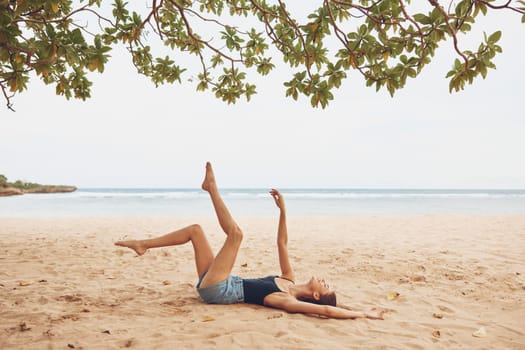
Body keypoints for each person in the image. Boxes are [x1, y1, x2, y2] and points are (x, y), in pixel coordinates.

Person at [115, 162, 384, 320]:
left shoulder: (286, 300)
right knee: (195, 230)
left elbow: (326, 310)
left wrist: (360, 313)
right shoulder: (288, 280)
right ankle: (143, 244)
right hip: (219, 281)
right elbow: (283, 244)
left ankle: (212, 189)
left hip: (218, 291)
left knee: (237, 234)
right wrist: (283, 211)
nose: (325, 280)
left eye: (325, 286)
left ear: (315, 294)